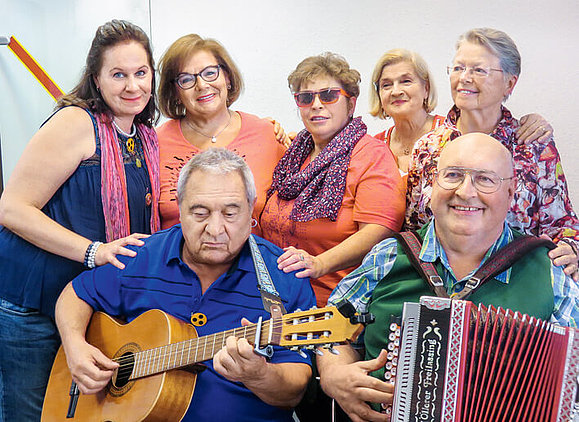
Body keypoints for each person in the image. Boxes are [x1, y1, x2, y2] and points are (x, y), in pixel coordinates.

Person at [317, 133, 578, 422]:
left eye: (485, 179)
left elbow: (572, 378)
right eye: (452, 175)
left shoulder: (550, 270)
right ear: (433, 183)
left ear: (510, 192)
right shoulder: (389, 256)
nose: (465, 192)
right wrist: (333, 372)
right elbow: (330, 330)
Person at [54, 148, 315, 421]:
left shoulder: (283, 276)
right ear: (179, 208)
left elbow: (293, 393)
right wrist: (75, 347)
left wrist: (260, 376)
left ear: (252, 208)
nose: (215, 229)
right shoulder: (143, 256)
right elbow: (75, 294)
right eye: (200, 213)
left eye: (230, 214)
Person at [0, 20, 160, 421]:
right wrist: (94, 252)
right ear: (97, 79)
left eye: (141, 73)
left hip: (85, 306)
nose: (132, 85)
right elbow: (12, 208)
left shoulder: (142, 136)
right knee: (33, 415)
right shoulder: (76, 122)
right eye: (118, 75)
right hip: (32, 305)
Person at [405, 27, 579, 280]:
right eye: (458, 68)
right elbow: (412, 228)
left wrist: (570, 249)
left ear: (510, 82)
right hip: (437, 283)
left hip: (518, 285)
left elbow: (564, 225)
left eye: (478, 70)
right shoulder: (427, 148)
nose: (464, 77)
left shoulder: (533, 146)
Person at [260, 52, 405, 308]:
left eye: (328, 95)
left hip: (334, 305)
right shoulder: (292, 155)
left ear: (351, 104)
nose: (316, 104)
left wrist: (319, 264)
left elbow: (381, 231)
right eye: (306, 98)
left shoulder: (371, 155)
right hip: (274, 299)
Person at [156, 34, 287, 234]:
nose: (201, 85)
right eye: (186, 79)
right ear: (175, 92)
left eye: (210, 73)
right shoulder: (155, 143)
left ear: (227, 77)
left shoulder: (267, 135)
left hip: (252, 262)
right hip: (176, 262)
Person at [368, 48, 553, 178]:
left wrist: (535, 122)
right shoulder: (375, 146)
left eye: (406, 81)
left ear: (426, 88)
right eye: (386, 85)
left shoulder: (451, 133)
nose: (395, 91)